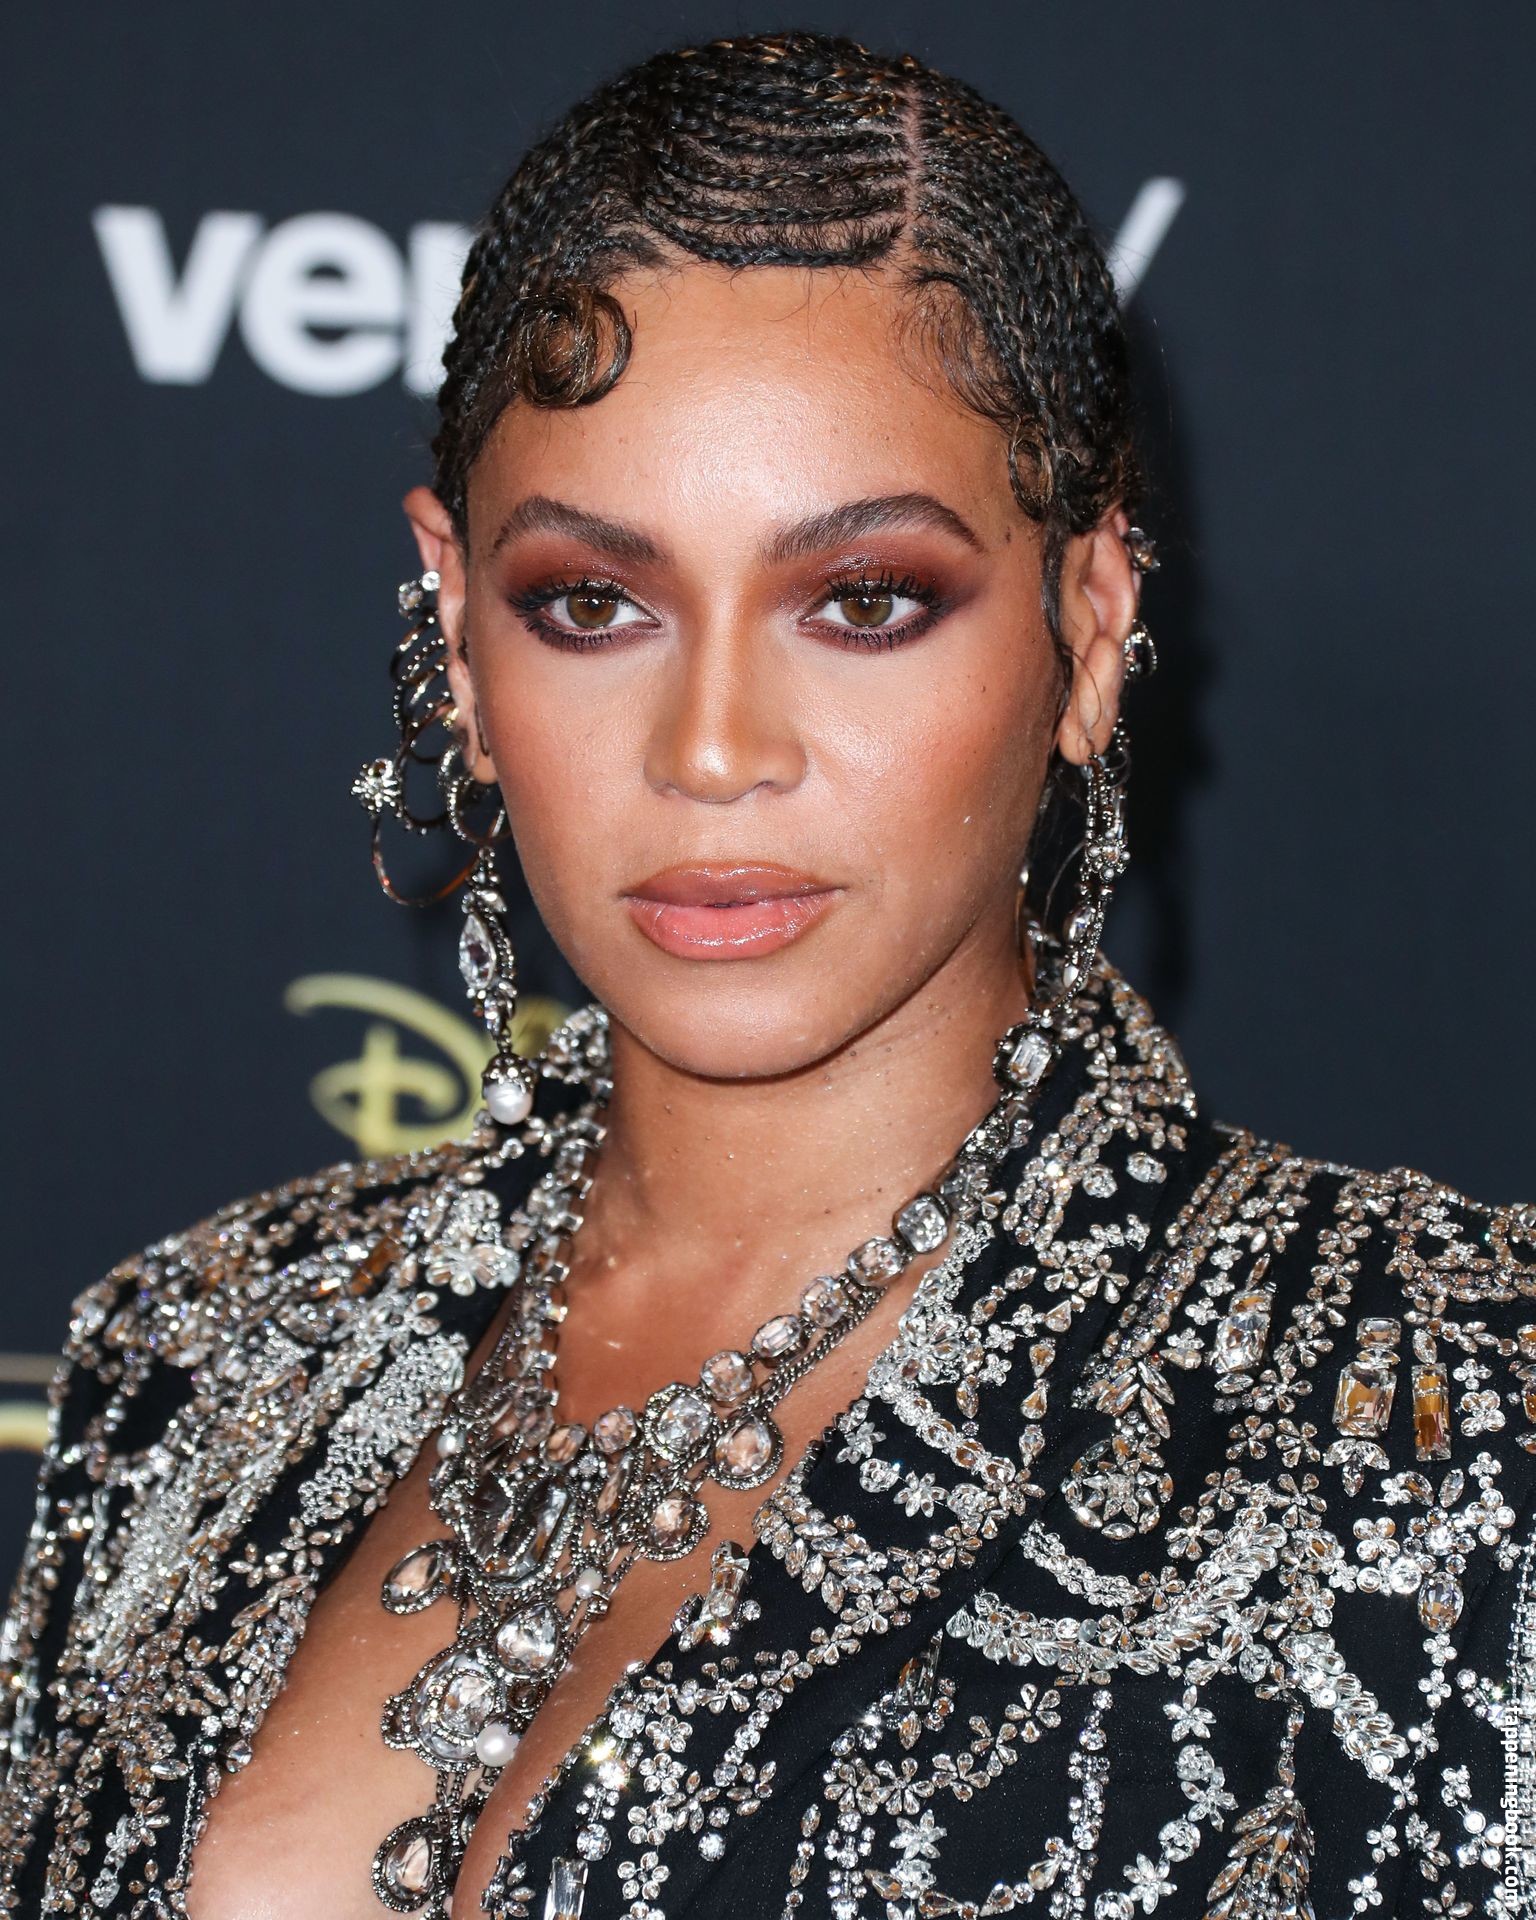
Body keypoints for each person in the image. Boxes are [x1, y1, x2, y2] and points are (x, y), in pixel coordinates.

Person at [1, 29, 1531, 1920]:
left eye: (865, 599)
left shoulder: (1443, 1410)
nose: (713, 749)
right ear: (458, 631)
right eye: (591, 603)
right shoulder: (198, 1358)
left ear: (1093, 624)